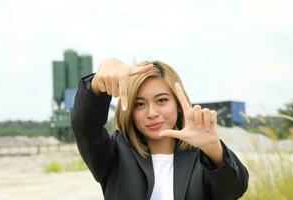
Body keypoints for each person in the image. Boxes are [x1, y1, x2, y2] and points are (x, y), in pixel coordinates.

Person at [71, 58, 249, 200]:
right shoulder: (114, 155)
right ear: (129, 110)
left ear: (178, 104)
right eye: (139, 104)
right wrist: (96, 84)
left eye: (162, 100)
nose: (151, 113)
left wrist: (213, 148)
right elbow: (85, 126)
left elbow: (234, 190)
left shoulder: (203, 158)